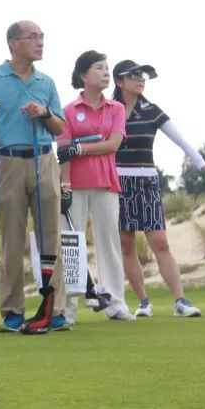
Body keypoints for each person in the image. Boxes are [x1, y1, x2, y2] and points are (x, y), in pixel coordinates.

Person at [112, 60, 205, 318]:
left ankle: (180, 301)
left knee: (160, 242)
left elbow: (179, 139)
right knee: (126, 245)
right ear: (119, 81)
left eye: (143, 75)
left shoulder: (151, 110)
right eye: (134, 75)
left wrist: (201, 163)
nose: (141, 79)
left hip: (147, 182)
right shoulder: (109, 109)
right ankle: (143, 302)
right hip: (117, 183)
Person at [0, 20, 68, 334]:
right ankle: (12, 311)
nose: (40, 42)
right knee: (12, 239)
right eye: (33, 37)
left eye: (41, 36)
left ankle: (54, 309)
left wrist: (45, 113)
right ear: (13, 43)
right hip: (8, 163)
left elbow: (60, 128)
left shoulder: (46, 82)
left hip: (44, 160)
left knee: (51, 238)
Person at [57, 51, 135, 323]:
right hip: (75, 185)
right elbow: (63, 151)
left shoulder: (116, 108)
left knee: (109, 243)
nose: (105, 73)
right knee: (71, 245)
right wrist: (65, 186)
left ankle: (116, 303)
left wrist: (80, 148)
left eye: (106, 68)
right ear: (83, 75)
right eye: (99, 68)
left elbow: (113, 144)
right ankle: (67, 309)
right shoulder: (68, 111)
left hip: (105, 183)